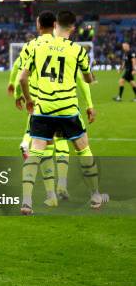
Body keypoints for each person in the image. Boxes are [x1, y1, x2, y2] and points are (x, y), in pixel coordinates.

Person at [19, 11, 107, 215]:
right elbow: (87, 79)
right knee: (84, 150)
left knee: (35, 152)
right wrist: (90, 75)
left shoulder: (37, 47)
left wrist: (29, 100)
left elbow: (23, 79)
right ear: (73, 28)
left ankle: (26, 201)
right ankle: (95, 196)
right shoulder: (78, 50)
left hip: (44, 109)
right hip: (68, 110)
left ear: (56, 24)